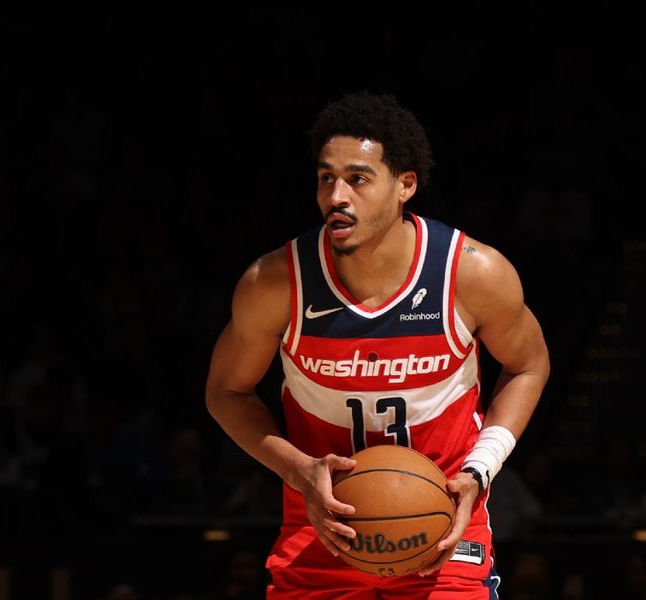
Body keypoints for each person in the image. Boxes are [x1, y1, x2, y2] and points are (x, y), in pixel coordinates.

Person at [205, 91, 550, 599]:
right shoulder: (276, 283)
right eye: (326, 178)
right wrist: (297, 469)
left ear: (405, 184)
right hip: (323, 524)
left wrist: (480, 469)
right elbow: (225, 392)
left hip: (443, 521)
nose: (337, 196)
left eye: (358, 179)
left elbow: (528, 366)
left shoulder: (472, 273)